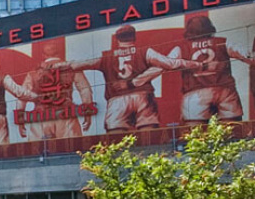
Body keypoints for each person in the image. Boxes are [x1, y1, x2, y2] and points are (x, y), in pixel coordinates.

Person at [59, 25, 200, 131]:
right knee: (148, 138)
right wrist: (198, 64)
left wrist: (59, 65)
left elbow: (79, 64)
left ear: (117, 39)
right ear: (134, 37)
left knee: (116, 142)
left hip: (117, 101)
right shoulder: (145, 52)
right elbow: (171, 63)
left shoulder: (105, 57)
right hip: (143, 96)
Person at [163, 12, 255, 122]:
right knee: (233, 130)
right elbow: (250, 56)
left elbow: (164, 64)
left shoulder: (181, 48)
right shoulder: (222, 42)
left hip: (194, 94)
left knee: (194, 132)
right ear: (210, 28)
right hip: (225, 90)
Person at [14, 41, 94, 140]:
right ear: (59, 53)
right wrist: (88, 113)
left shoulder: (33, 73)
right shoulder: (71, 68)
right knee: (73, 150)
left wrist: (20, 120)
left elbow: (22, 96)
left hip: (40, 117)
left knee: (37, 151)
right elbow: (85, 90)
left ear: (43, 55)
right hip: (66, 115)